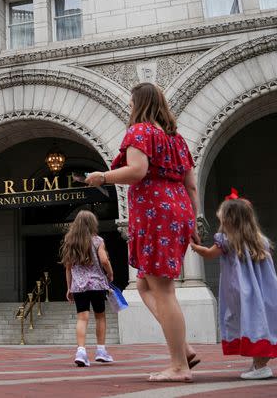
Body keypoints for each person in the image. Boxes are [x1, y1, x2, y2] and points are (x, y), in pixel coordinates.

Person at [85, 82, 201, 383]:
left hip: (155, 212)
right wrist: (194, 220)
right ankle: (183, 348)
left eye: (131, 102)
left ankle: (179, 366)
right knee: (147, 287)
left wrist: (102, 177)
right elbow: (191, 184)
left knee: (162, 290)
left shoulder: (140, 131)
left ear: (138, 104)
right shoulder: (177, 140)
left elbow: (136, 171)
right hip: (178, 210)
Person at [190, 191, 277, 380]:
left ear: (230, 220)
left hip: (241, 292)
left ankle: (261, 367)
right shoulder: (261, 242)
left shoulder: (227, 240)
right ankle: (258, 363)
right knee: (259, 322)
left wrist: (195, 247)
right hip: (263, 293)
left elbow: (209, 253)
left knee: (249, 322)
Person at [60, 210, 115, 367]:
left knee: (82, 318)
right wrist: (110, 274)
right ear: (92, 224)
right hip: (97, 284)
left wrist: (69, 288)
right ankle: (101, 351)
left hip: (79, 286)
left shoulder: (70, 242)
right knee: (100, 316)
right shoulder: (98, 240)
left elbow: (68, 267)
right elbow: (104, 260)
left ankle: (81, 352)